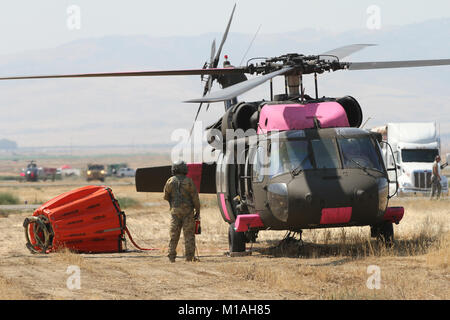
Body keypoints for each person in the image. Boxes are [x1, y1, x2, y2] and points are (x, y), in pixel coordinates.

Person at [163, 160, 200, 262]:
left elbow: (166, 196)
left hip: (175, 212)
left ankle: (171, 256)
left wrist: (173, 205)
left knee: (174, 235)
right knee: (189, 235)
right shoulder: (189, 181)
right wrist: (198, 211)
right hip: (188, 212)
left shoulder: (170, 181)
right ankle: (189, 257)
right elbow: (195, 198)